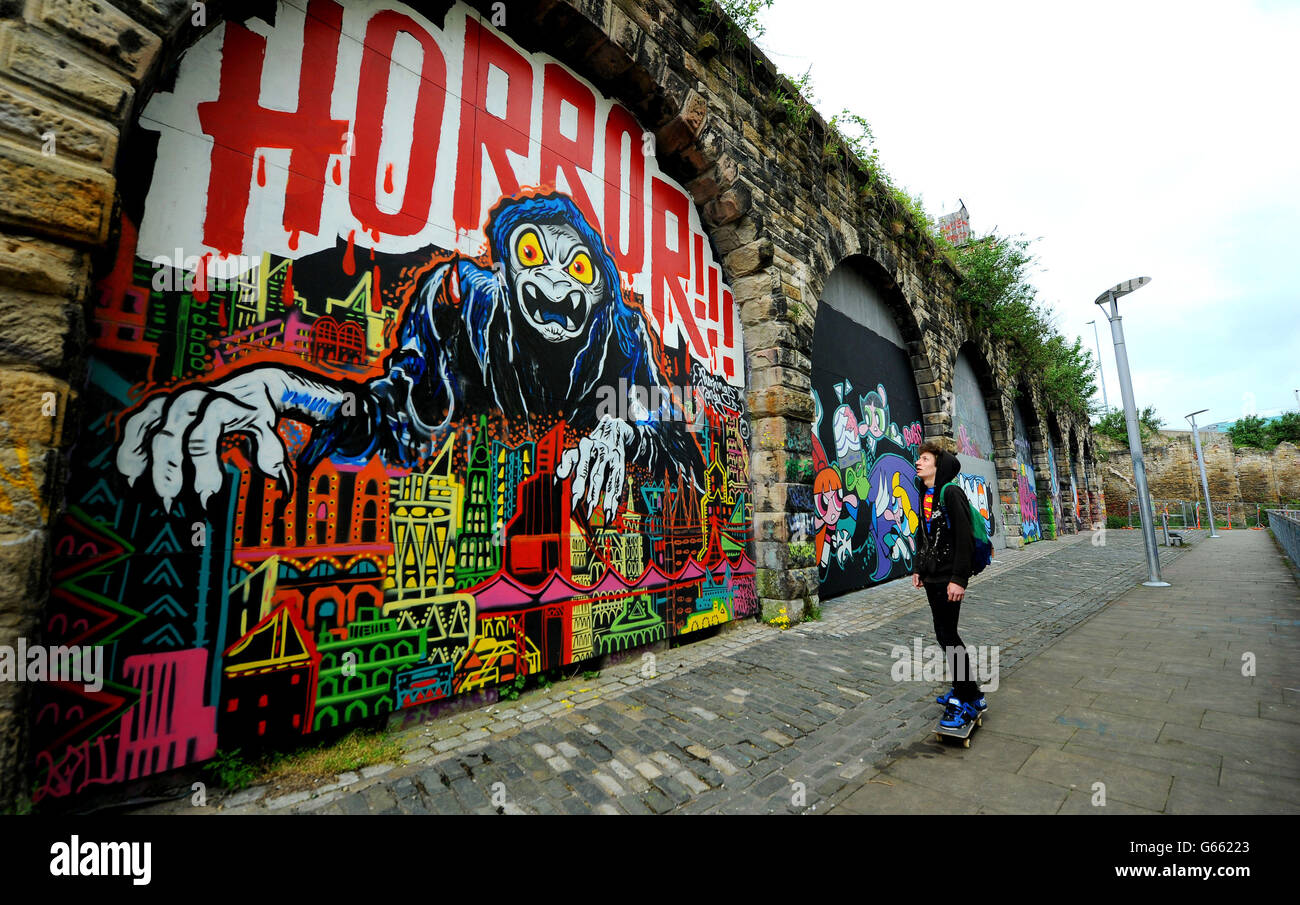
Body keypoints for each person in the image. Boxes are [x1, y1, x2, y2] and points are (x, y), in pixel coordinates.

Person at [911, 442, 987, 729]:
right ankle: (967, 691)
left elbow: (965, 539)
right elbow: (923, 534)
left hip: (948, 578)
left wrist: (959, 579)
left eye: (925, 459)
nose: (919, 462)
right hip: (932, 577)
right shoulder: (924, 494)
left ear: (937, 466)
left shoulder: (950, 492)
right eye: (919, 458)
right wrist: (918, 568)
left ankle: (969, 695)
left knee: (948, 636)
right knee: (945, 635)